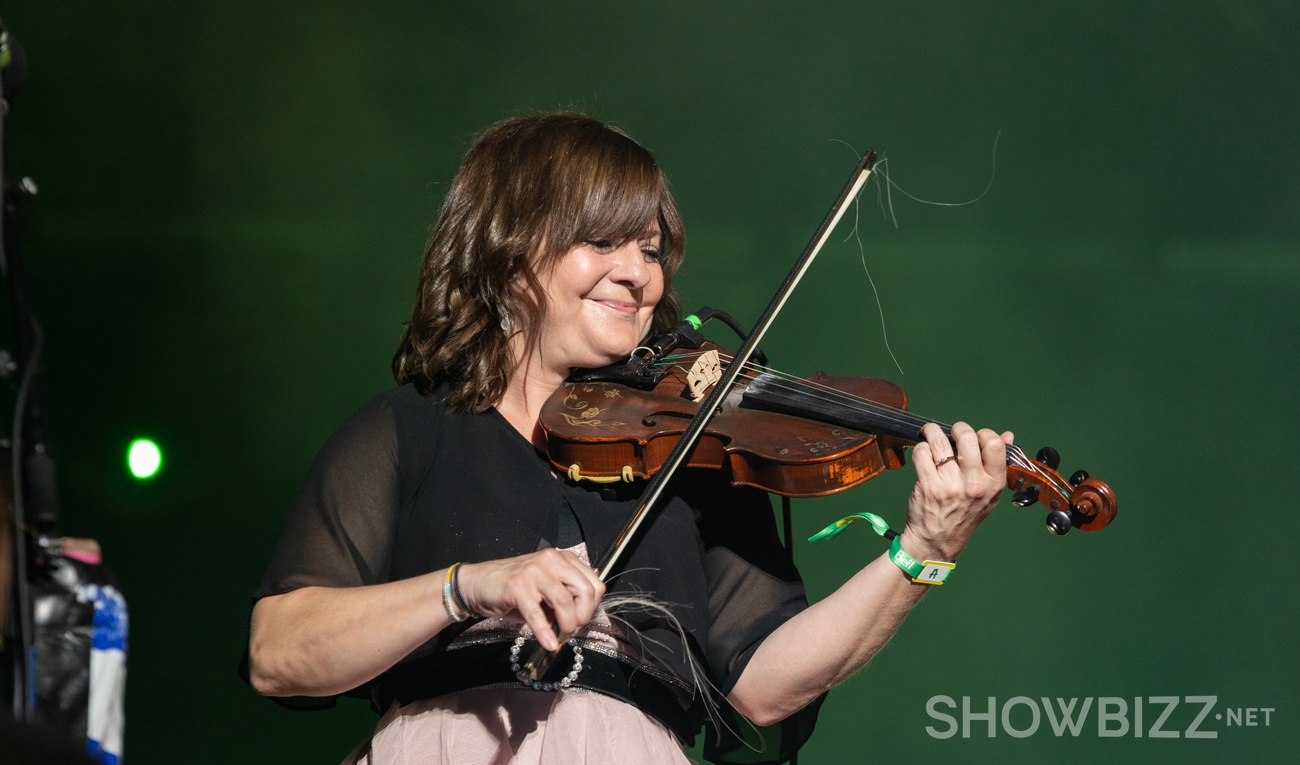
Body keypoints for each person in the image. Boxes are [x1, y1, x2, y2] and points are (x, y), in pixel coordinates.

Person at [246, 112, 1012, 765]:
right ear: (511, 247)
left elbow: (764, 683)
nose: (639, 275)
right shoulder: (407, 433)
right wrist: (467, 586)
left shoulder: (694, 457)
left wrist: (924, 549)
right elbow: (280, 652)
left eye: (650, 250)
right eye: (603, 241)